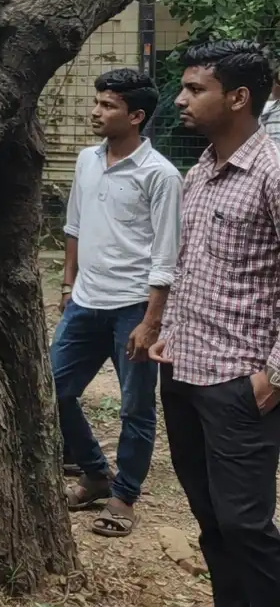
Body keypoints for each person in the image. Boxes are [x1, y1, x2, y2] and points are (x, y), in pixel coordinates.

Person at [152, 40, 280, 603]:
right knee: (209, 518)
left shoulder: (272, 174)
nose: (180, 99)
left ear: (239, 97)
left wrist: (274, 373)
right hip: (184, 374)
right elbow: (190, 264)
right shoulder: (200, 171)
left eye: (195, 89)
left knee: (245, 525)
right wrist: (171, 330)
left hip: (240, 382)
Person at [53, 69, 180, 537]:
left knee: (135, 408)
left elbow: (166, 256)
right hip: (86, 303)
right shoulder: (87, 159)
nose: (96, 111)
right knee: (54, 391)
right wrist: (68, 289)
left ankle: (124, 496)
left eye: (108, 106)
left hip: (133, 307)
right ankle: (93, 473)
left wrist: (151, 321)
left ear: (137, 116)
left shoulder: (161, 175)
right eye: (98, 102)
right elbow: (74, 226)